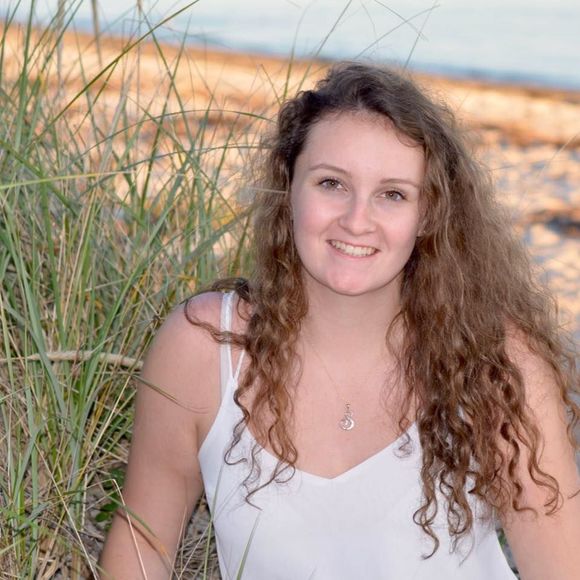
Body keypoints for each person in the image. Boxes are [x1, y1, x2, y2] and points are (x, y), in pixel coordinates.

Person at [99, 62, 580, 579]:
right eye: (331, 183)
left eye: (392, 194)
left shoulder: (496, 362)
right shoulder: (207, 349)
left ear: (428, 215)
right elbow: (141, 547)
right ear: (289, 189)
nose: (356, 220)